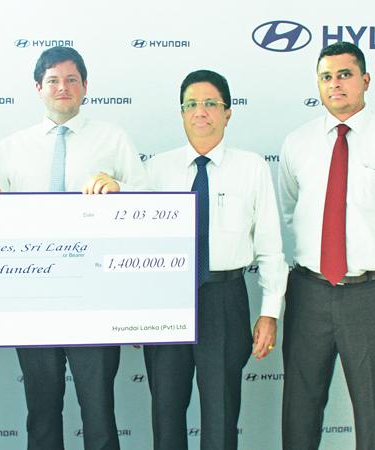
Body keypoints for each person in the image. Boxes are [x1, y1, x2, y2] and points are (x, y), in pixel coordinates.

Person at [0, 46, 147, 450]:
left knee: (98, 410)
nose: (63, 87)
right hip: (32, 297)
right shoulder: (11, 147)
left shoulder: (114, 139)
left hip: (96, 296)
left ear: (86, 87)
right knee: (41, 411)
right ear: (38, 87)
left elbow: (148, 206)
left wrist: (120, 189)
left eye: (72, 79)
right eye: (54, 80)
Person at [278, 42, 375, 450]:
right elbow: (293, 211)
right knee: (300, 407)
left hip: (373, 294)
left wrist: (373, 261)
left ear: (365, 79)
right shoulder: (298, 143)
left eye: (344, 75)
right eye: (326, 77)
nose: (335, 84)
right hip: (309, 292)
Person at [143, 70, 288, 450]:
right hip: (167, 301)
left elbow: (271, 248)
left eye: (210, 103)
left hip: (224, 300)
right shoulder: (157, 169)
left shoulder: (252, 167)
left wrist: (270, 311)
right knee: (166, 412)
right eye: (191, 104)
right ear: (181, 113)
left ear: (228, 112)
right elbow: (136, 245)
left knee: (221, 415)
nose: (200, 111)